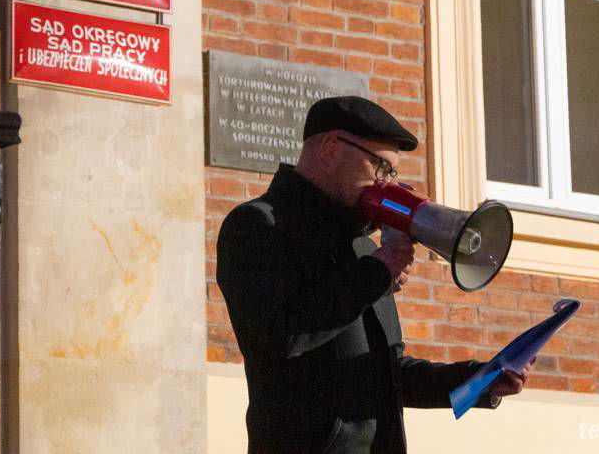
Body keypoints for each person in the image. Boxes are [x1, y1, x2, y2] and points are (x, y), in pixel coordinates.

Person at [217, 96, 531, 453]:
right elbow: (277, 336)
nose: (384, 182)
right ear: (331, 148)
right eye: (379, 166)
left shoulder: (363, 248)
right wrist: (376, 272)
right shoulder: (260, 225)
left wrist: (481, 381)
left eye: (390, 172)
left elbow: (386, 375)